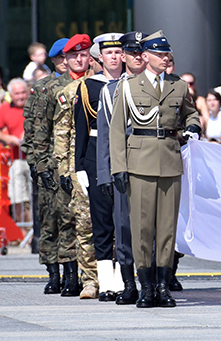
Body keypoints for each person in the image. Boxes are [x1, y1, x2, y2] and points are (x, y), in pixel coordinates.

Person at [109, 30, 201, 308]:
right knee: (142, 228)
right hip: (139, 162)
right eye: (160, 54)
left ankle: (162, 286)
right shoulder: (128, 87)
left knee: (167, 229)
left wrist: (194, 126)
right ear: (145, 56)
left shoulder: (179, 85)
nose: (165, 58)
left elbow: (190, 113)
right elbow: (116, 131)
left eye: (167, 54)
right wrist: (119, 168)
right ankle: (145, 287)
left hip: (170, 161)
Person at [33, 34, 91, 297]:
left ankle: (82, 274)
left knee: (82, 221)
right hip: (59, 163)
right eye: (69, 56)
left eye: (83, 54)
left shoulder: (93, 83)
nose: (76, 60)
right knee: (57, 220)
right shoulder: (51, 89)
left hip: (85, 160)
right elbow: (40, 131)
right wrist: (41, 166)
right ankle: (61, 274)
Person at [74, 32, 126, 302]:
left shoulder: (131, 84)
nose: (115, 57)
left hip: (126, 157)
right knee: (102, 220)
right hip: (96, 156)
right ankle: (106, 282)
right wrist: (80, 164)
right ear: (100, 57)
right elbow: (81, 129)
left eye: (119, 52)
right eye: (109, 53)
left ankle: (124, 280)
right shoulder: (89, 87)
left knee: (124, 222)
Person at [96, 31, 145, 305]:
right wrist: (106, 173)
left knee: (153, 229)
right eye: (132, 52)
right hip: (123, 169)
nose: (137, 57)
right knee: (123, 228)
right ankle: (128, 283)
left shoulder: (161, 87)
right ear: (124, 56)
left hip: (151, 168)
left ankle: (154, 281)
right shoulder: (111, 90)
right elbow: (105, 136)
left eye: (141, 52)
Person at [20, 37, 68, 294]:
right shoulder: (42, 88)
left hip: (71, 161)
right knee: (50, 220)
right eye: (59, 58)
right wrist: (36, 163)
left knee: (76, 221)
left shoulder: (83, 84)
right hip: (48, 161)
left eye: (67, 56)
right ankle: (53, 272)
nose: (64, 61)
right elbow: (33, 130)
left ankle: (75, 273)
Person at [54, 63, 98, 300]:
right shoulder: (73, 91)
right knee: (85, 223)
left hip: (103, 161)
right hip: (77, 165)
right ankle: (89, 279)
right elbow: (62, 132)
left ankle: (111, 277)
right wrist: (64, 170)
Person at [0, 78, 31, 234]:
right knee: (18, 198)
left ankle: (37, 233)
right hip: (17, 159)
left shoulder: (34, 106)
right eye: (17, 93)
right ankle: (24, 233)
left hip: (36, 158)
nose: (21, 96)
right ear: (10, 95)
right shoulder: (4, 109)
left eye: (23, 92)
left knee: (37, 197)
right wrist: (7, 138)